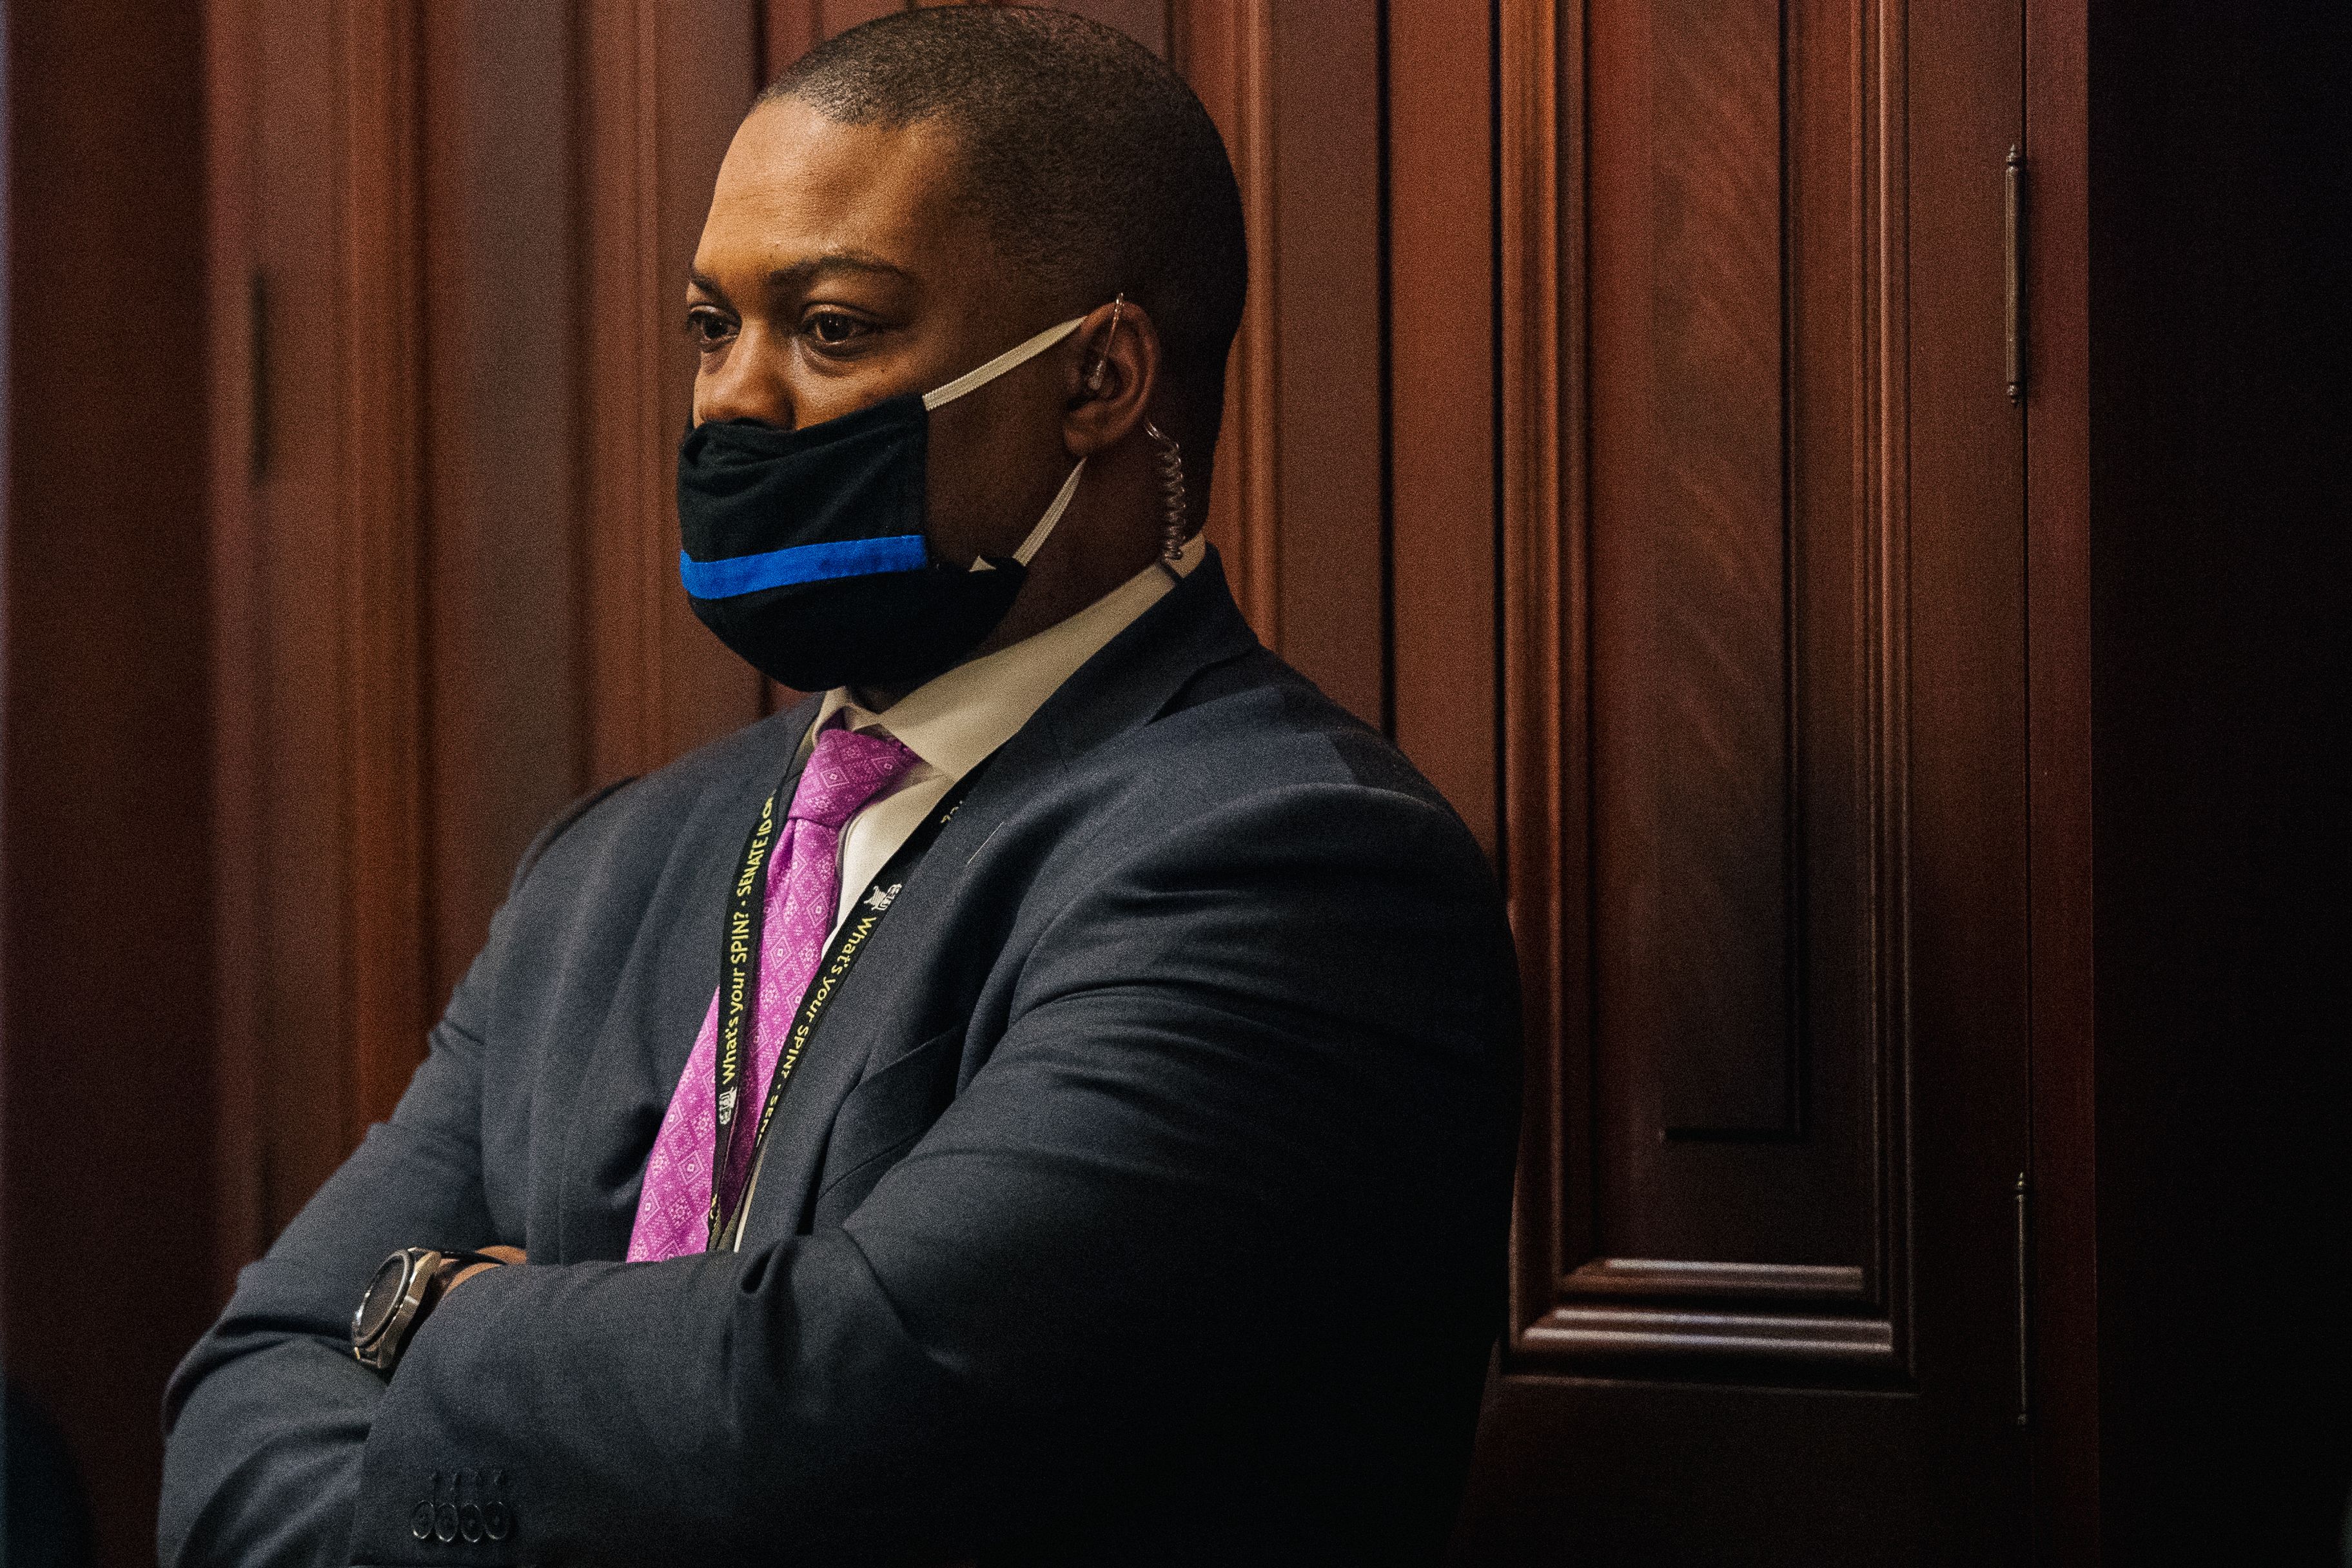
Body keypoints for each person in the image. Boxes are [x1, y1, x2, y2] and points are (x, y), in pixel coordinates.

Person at [159, 10, 1519, 1565]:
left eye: (831, 328)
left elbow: (830, 1418)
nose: (732, 399)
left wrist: (447, 1320)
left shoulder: (1288, 866)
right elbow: (246, 1410)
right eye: (708, 327)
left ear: (1100, 374)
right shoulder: (610, 865)